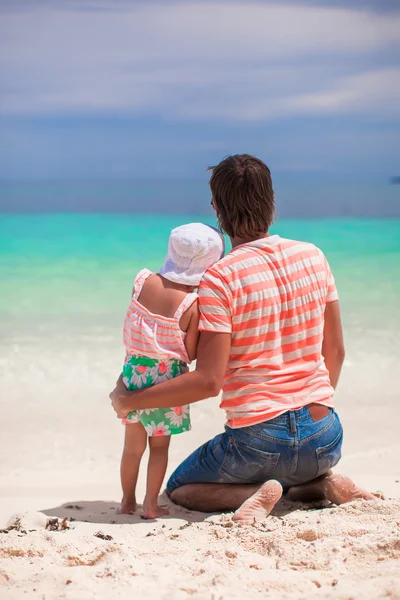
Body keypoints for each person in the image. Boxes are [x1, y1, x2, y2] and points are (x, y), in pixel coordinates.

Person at [111, 154, 374, 524]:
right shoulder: (314, 256)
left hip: (260, 441)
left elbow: (208, 381)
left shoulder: (219, 278)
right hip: (325, 437)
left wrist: (130, 400)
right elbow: (336, 352)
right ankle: (318, 484)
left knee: (180, 488)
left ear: (216, 207)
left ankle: (260, 491)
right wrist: (306, 412)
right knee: (291, 458)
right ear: (272, 200)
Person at [117, 222, 224, 519]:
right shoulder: (191, 304)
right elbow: (188, 354)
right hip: (167, 382)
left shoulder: (142, 281)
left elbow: (134, 323)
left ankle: (127, 501)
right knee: (159, 449)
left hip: (134, 372)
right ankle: (150, 505)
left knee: (132, 448)